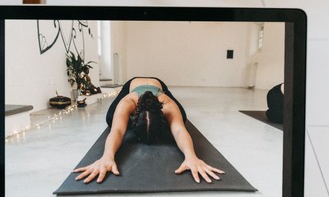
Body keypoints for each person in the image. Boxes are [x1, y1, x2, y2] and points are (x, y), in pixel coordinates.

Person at [72, 75, 223, 185]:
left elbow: (179, 130)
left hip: (158, 84)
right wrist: (107, 156)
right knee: (112, 119)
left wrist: (191, 156)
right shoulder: (127, 102)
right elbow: (117, 131)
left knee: (181, 118)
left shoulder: (168, 104)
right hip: (133, 84)